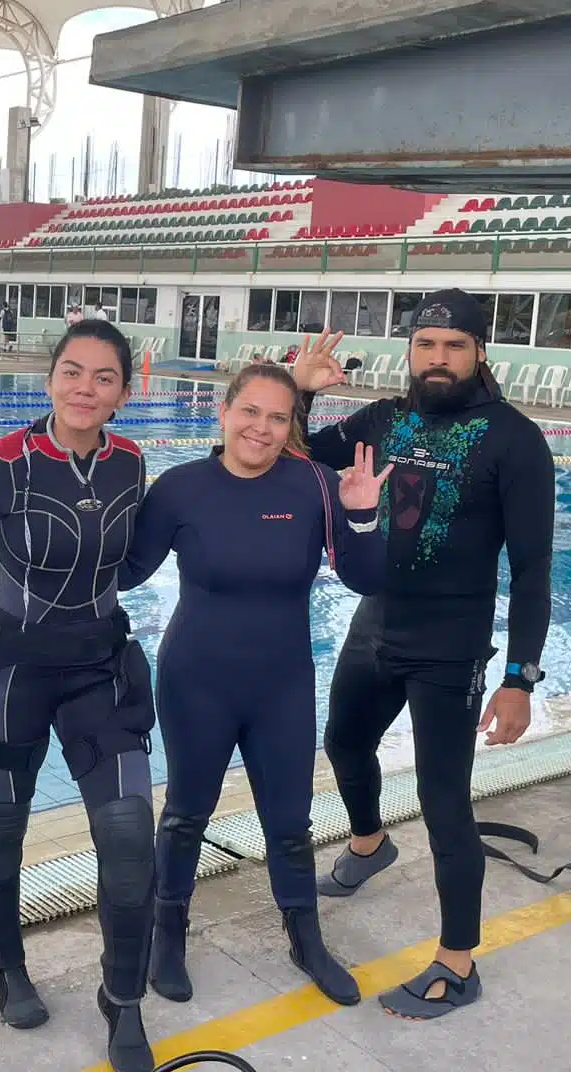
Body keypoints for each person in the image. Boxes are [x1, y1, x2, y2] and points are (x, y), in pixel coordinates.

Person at [289, 288, 556, 1020]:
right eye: (427, 345)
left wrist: (520, 679)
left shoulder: (514, 439)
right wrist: (300, 394)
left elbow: (533, 571)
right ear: (410, 352)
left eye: (455, 346)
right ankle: (371, 843)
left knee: (444, 803)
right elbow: (299, 455)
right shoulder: (383, 419)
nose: (439, 359)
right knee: (344, 744)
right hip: (376, 624)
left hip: (453, 647)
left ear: (478, 353)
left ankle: (456, 963)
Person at [119, 362, 390, 1009]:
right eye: (250, 412)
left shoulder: (318, 486)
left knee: (290, 824)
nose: (261, 429)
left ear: (290, 424)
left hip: (281, 685)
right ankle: (168, 932)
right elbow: (125, 572)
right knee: (185, 815)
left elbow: (366, 578)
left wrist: (361, 514)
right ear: (225, 411)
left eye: (276, 417)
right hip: (195, 680)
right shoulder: (182, 489)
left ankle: (305, 938)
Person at [0, 318, 157, 1072]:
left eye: (103, 377)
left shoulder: (132, 460)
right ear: (49, 377)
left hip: (98, 670)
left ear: (127, 391)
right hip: (10, 676)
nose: (85, 389)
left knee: (129, 838)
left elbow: (126, 565)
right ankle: (8, 968)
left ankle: (122, 998)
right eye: (72, 371)